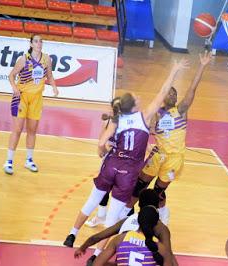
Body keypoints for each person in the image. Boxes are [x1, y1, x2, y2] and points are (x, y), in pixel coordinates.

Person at [63, 59, 189, 249]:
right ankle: (97, 254)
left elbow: (101, 143)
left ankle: (71, 235)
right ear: (134, 107)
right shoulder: (144, 117)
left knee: (91, 201)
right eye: (137, 98)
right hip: (127, 172)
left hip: (111, 165)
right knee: (113, 218)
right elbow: (162, 92)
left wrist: (104, 152)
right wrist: (174, 69)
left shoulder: (117, 119)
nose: (140, 98)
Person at [125, 52, 212, 224]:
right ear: (164, 97)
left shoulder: (180, 111)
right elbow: (145, 130)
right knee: (139, 186)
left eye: (175, 94)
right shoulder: (156, 113)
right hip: (158, 155)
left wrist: (202, 66)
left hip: (174, 159)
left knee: (157, 192)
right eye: (170, 93)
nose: (173, 95)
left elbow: (191, 90)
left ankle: (160, 215)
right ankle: (126, 214)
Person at [75, 189, 177, 266]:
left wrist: (82, 248)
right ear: (157, 207)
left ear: (139, 204)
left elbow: (96, 237)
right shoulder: (161, 229)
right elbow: (169, 255)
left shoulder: (125, 224)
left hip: (124, 256)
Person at [3, 34, 59, 175]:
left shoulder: (47, 59)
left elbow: (50, 76)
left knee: (32, 130)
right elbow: (11, 75)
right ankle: (9, 161)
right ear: (31, 44)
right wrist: (15, 88)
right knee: (17, 129)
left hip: (36, 99)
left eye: (41, 41)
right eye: (36, 41)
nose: (39, 43)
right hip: (21, 97)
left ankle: (29, 160)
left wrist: (54, 86)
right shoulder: (23, 59)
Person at [92, 206, 174, 266]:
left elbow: (96, 264)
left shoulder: (120, 239)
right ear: (156, 224)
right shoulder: (161, 249)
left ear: (138, 220)